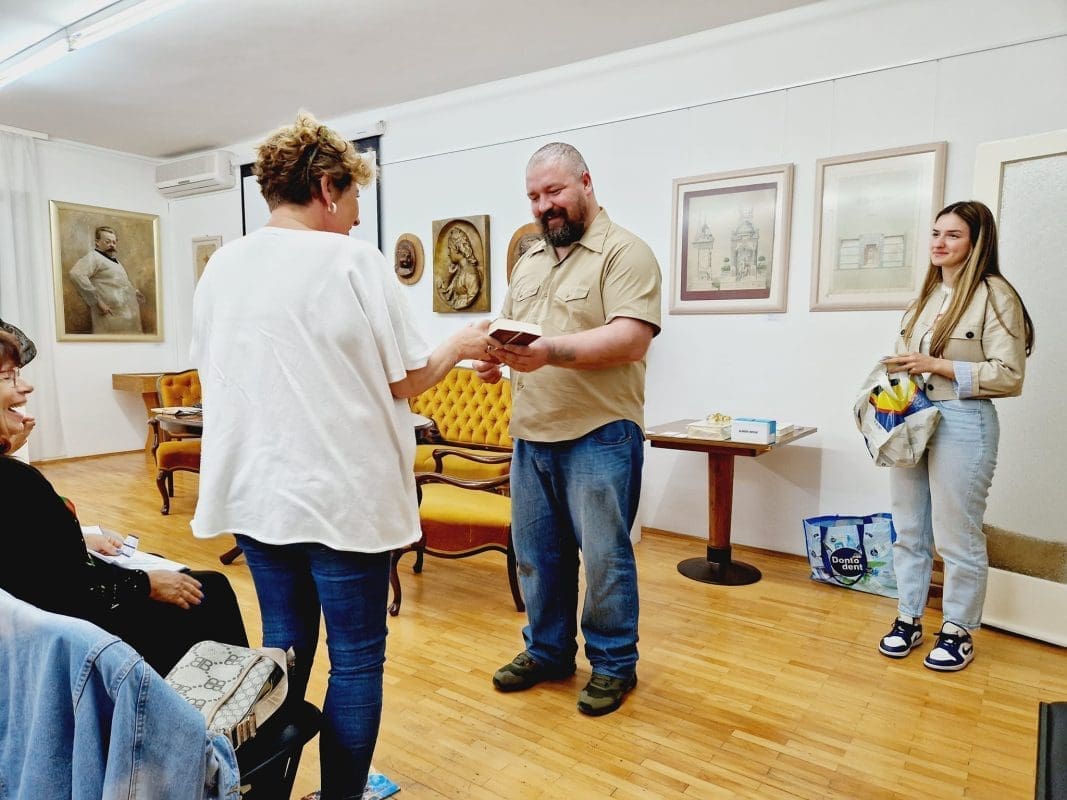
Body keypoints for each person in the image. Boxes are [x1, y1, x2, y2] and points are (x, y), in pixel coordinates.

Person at [190, 111, 490, 799]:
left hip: (256, 494)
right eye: (354, 198)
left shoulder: (222, 268)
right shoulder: (353, 261)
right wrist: (461, 344)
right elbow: (405, 379)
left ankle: (267, 788)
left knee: (284, 647)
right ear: (327, 187)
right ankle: (342, 795)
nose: (356, 218)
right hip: (341, 497)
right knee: (355, 660)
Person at [477, 142, 662, 716]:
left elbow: (631, 337)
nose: (544, 205)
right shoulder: (529, 261)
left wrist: (549, 351)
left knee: (605, 560)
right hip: (532, 434)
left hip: (599, 434)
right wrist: (496, 357)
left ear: (585, 181)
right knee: (538, 557)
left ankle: (613, 664)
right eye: (534, 196)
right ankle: (548, 651)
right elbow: (516, 330)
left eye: (554, 191)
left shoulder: (625, 253)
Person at [0, 330, 248, 675]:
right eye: (8, 377)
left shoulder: (15, 479)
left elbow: (28, 554)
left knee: (167, 567)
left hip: (42, 633)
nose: (26, 387)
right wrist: (146, 584)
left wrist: (81, 539)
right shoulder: (16, 482)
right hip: (77, 641)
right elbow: (66, 592)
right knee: (211, 590)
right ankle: (235, 701)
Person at [877, 200, 1034, 672]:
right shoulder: (925, 298)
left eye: (953, 235)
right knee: (908, 527)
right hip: (913, 417)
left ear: (977, 242)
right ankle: (908, 617)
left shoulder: (995, 295)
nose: (939, 243)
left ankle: (958, 629)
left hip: (964, 420)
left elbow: (1010, 375)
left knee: (957, 534)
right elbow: (910, 359)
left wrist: (938, 365)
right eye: (935, 233)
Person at [68, 226, 146, 334]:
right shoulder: (94, 257)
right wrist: (97, 301)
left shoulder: (115, 261)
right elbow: (76, 274)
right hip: (110, 315)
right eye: (108, 242)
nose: (112, 245)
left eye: (114, 242)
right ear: (97, 242)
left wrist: (135, 293)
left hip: (127, 316)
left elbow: (121, 283)